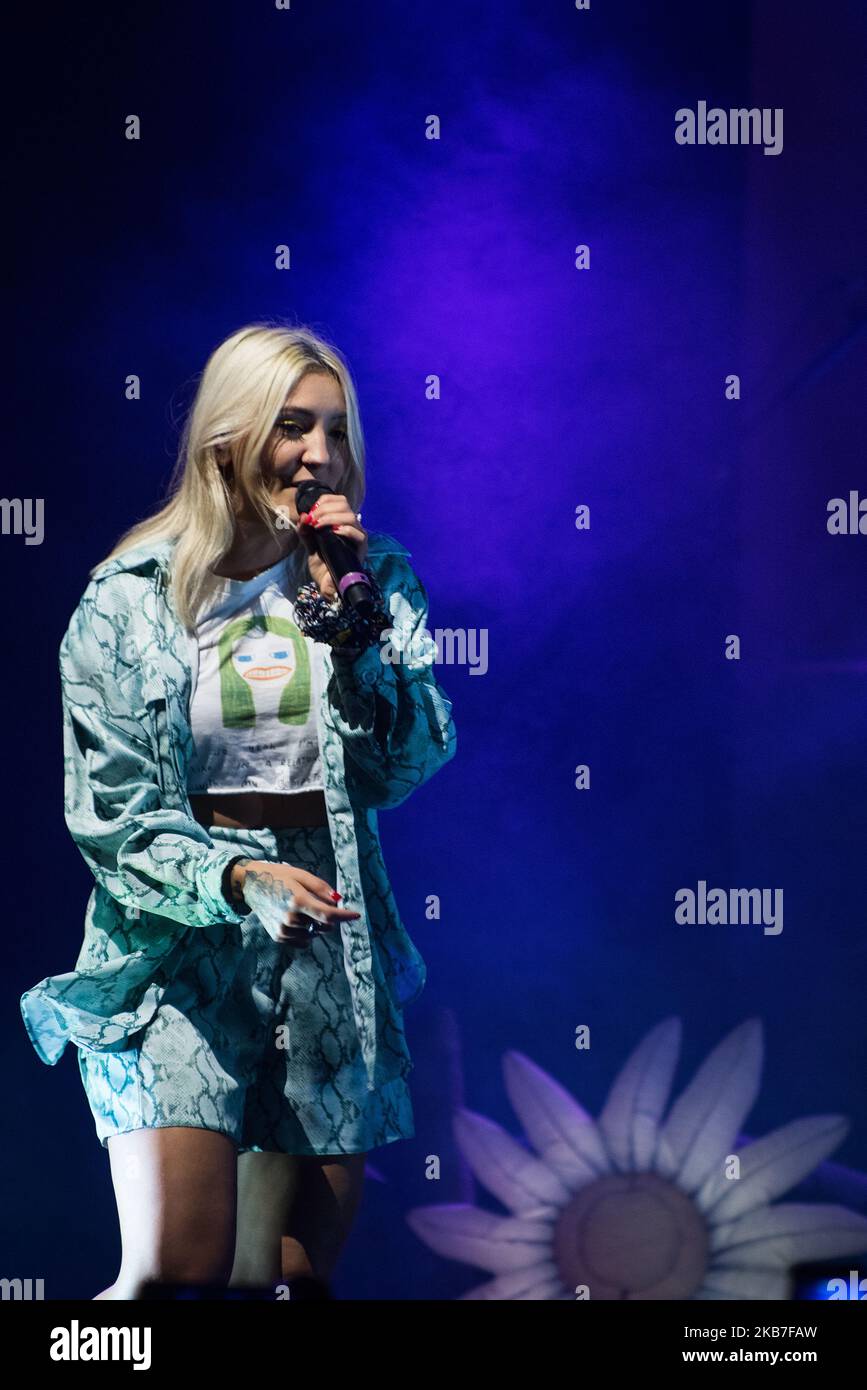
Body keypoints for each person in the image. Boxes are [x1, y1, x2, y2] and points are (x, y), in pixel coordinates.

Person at [19, 322, 457, 1299]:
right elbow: (112, 815)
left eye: (336, 432)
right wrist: (233, 875)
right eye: (291, 425)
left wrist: (357, 636)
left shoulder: (373, 578)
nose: (318, 453)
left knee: (286, 1279)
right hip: (174, 947)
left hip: (325, 938)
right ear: (228, 437)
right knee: (177, 1269)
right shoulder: (131, 596)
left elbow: (410, 760)